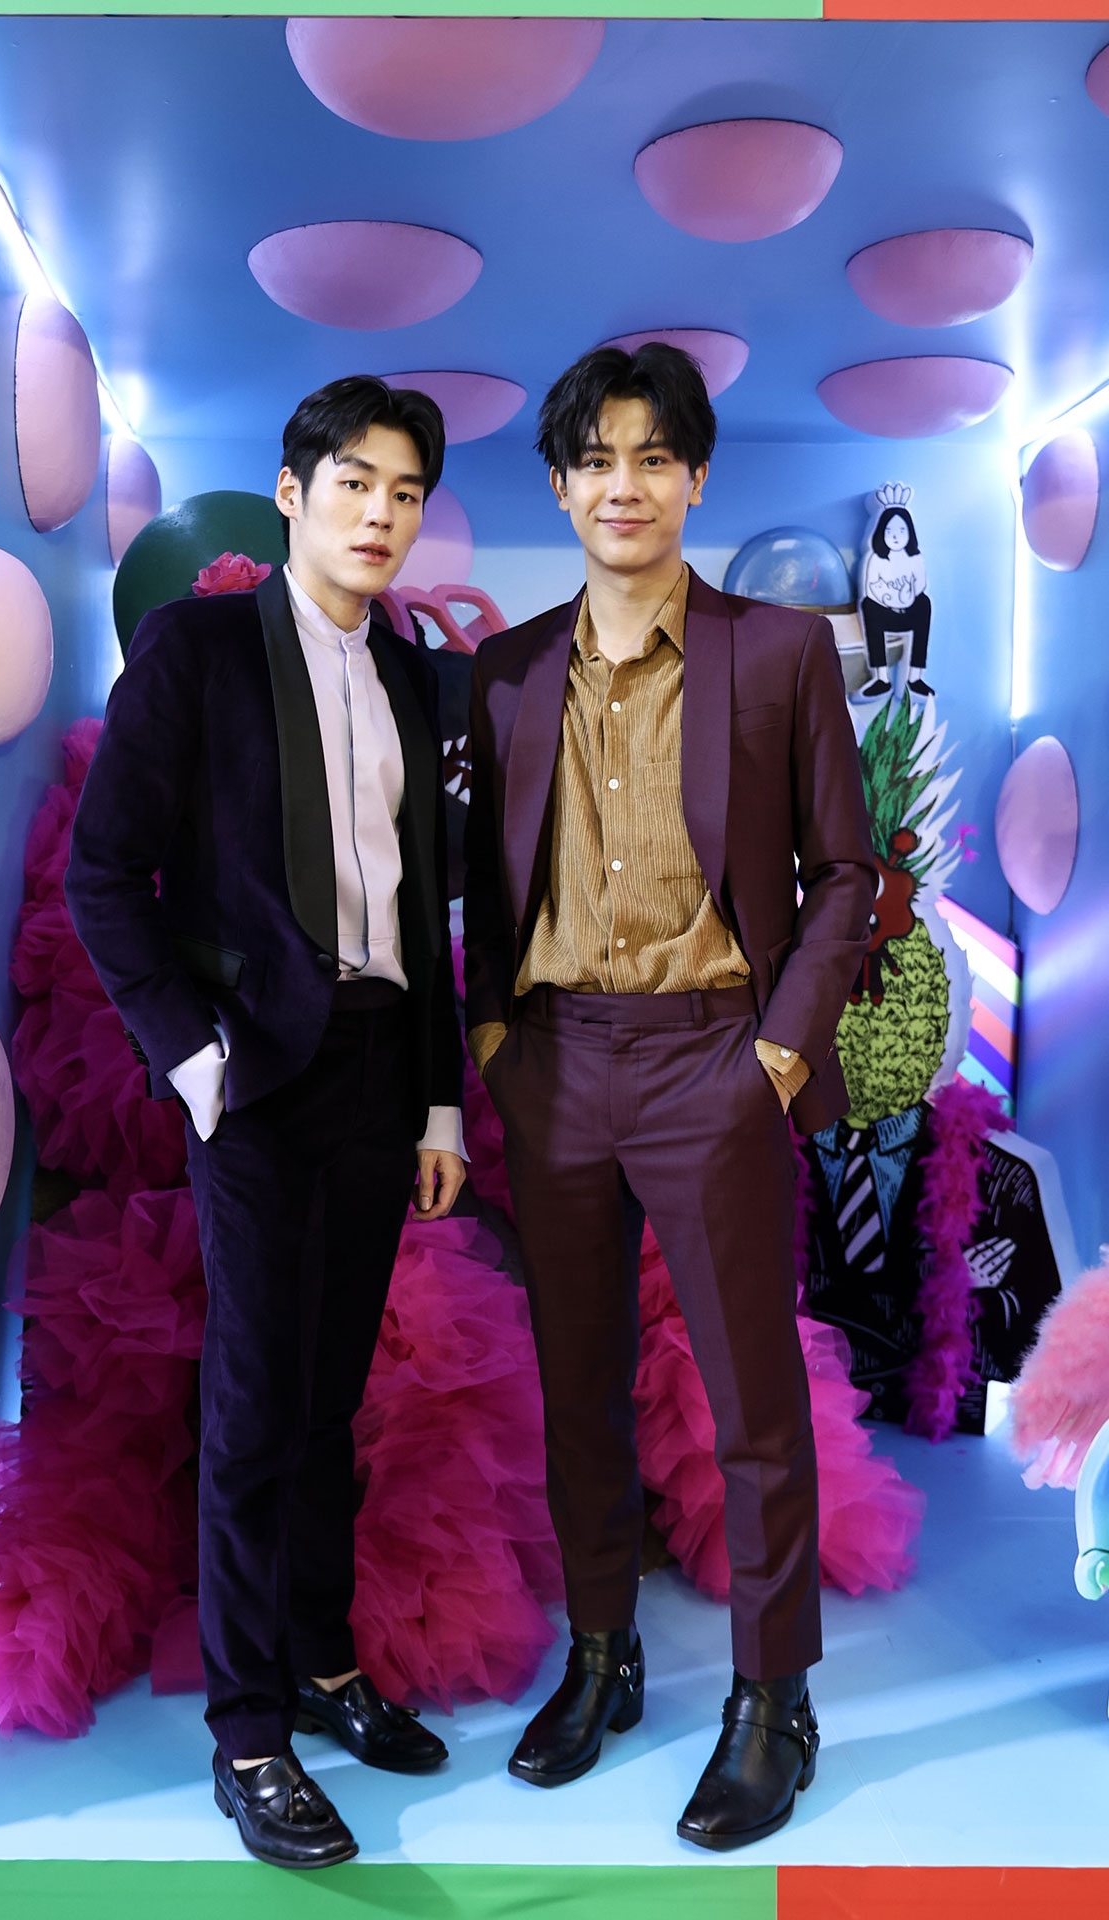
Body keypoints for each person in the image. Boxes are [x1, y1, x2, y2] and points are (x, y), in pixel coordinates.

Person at [462, 342, 876, 1850]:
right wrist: (493, 1038)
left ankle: (774, 1702)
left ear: (695, 477)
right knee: (575, 1384)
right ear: (559, 485)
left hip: (716, 1056)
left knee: (749, 1401)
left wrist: (778, 1053)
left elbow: (847, 874)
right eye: (595, 461)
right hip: (556, 1060)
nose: (622, 486)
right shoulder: (507, 670)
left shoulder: (778, 652)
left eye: (652, 458)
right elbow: (472, 877)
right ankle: (602, 1657)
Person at [66, 377, 466, 1870]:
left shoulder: (416, 677)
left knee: (329, 1396)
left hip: (377, 1068)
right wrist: (192, 1059)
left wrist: (439, 1099)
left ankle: (317, 1659)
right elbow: (104, 876)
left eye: (405, 492)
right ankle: (248, 1735)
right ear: (293, 493)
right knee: (248, 1401)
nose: (380, 515)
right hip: (253, 1074)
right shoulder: (201, 650)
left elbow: (419, 915)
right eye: (354, 483)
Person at [859, 498, 933, 698]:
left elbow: (920, 585)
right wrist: (889, 599)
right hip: (884, 612)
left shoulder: (915, 559)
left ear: (910, 533)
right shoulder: (875, 559)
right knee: (868, 605)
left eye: (901, 530)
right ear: (881, 533)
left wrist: (906, 598)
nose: (896, 536)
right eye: (890, 531)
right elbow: (871, 588)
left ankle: (915, 677)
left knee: (924, 603)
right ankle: (882, 678)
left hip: (908, 611)